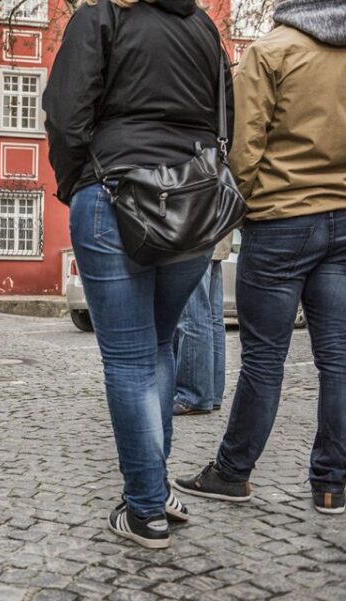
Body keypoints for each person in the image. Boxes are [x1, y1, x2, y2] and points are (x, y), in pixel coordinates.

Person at [43, 0, 233, 548]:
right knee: (160, 346)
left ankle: (146, 507)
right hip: (192, 202)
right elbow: (228, 121)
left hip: (114, 191)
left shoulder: (103, 15)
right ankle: (158, 488)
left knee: (128, 359)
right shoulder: (203, 27)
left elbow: (64, 111)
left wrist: (79, 178)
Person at [174, 0, 346, 516]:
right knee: (338, 359)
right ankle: (332, 483)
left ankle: (233, 472)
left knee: (264, 359)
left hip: (280, 221)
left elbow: (244, 148)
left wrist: (230, 213)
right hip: (343, 219)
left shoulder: (270, 52)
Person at [172, 234, 232, 416]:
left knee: (192, 314)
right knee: (212, 318)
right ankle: (211, 394)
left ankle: (193, 395)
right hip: (218, 233)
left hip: (195, 234)